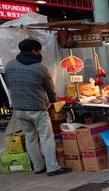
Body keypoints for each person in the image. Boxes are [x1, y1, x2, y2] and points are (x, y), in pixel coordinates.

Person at [4, 38, 71, 176]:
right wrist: (54, 102)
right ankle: (52, 167)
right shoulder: (40, 68)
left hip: (19, 109)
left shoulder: (9, 66)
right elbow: (50, 90)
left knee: (30, 137)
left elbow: (10, 86)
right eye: (39, 51)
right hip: (37, 108)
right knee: (46, 137)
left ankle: (38, 166)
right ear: (35, 51)